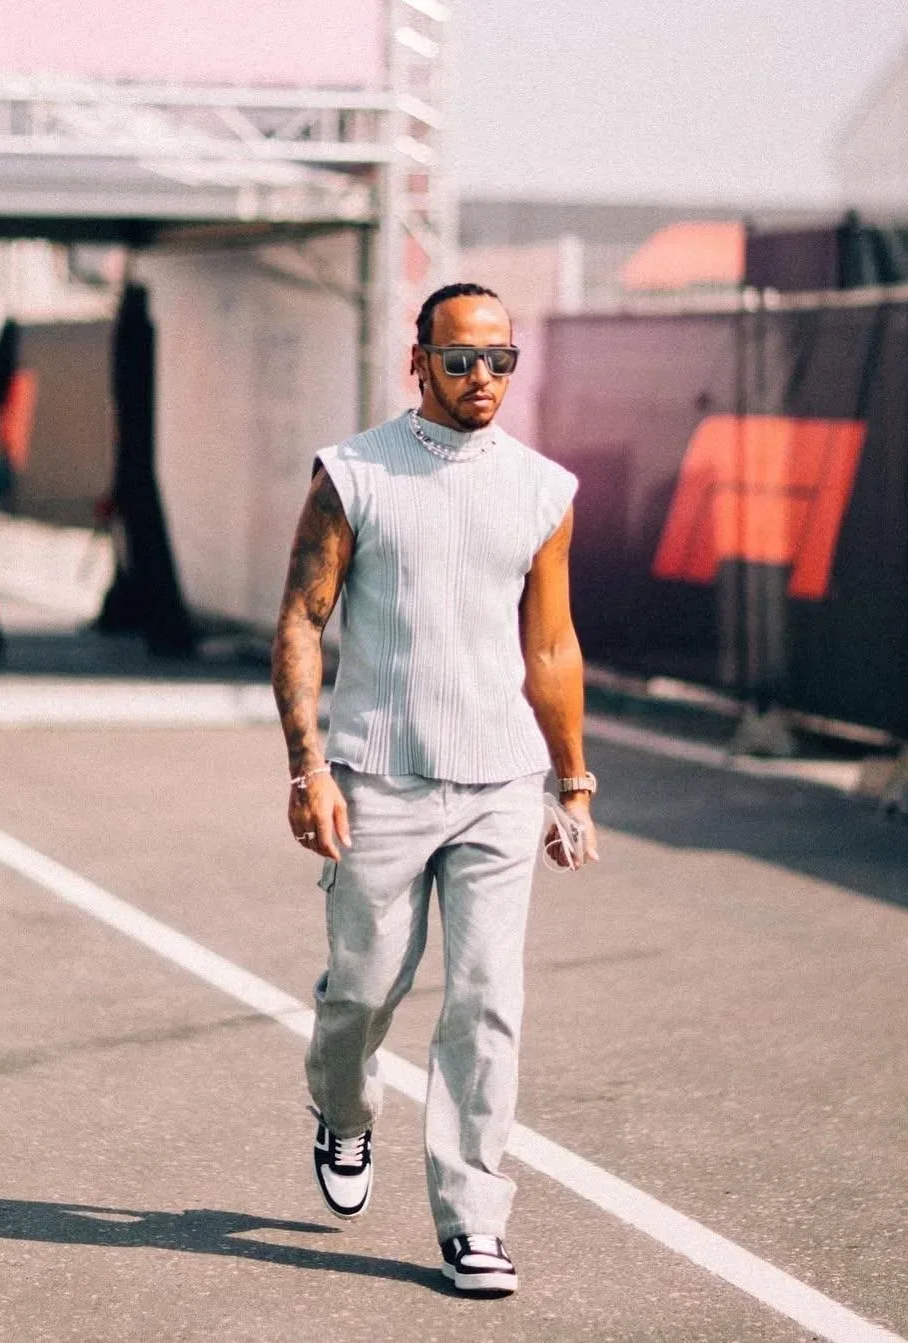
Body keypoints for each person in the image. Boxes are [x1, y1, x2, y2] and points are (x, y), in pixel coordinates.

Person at [271, 282, 599, 1296]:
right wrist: (308, 769)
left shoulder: (543, 489)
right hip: (377, 778)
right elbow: (301, 621)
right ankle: (345, 1111)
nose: (482, 377)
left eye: (500, 359)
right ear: (417, 362)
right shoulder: (355, 473)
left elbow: (551, 645)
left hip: (501, 783)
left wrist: (573, 782)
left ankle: (473, 1217)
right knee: (364, 989)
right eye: (460, 360)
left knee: (489, 998)